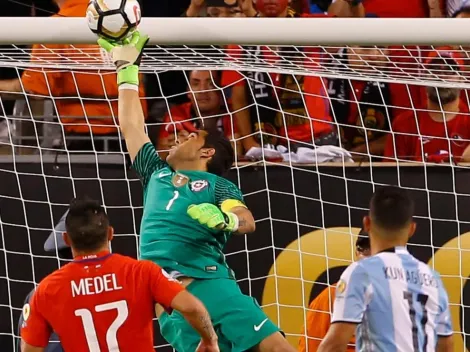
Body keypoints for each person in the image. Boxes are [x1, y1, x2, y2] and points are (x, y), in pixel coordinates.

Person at [98, 32, 296, 352]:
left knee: (276, 347)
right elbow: (132, 126)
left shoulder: (219, 186)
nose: (179, 136)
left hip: (210, 284)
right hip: (169, 299)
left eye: (191, 136)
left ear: (206, 154)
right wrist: (127, 71)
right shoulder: (156, 173)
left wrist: (225, 220)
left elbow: (245, 219)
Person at [20, 197, 218, 352]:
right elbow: (193, 308)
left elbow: (30, 349)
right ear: (110, 233)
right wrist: (209, 340)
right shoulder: (142, 272)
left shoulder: (46, 290)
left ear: (65, 238)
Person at [318, 186, 453, 352]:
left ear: (367, 223)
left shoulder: (361, 272)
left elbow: (334, 345)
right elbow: (446, 346)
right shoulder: (432, 278)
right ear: (412, 229)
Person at [0, 0, 147, 152]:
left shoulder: (58, 25)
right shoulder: (120, 16)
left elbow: (34, 89)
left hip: (85, 141)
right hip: (136, 136)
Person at [384, 48, 470, 163]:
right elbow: (389, 174)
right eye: (435, 70)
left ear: (462, 79)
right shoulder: (403, 124)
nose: (441, 77)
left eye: (450, 70)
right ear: (424, 77)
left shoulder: (467, 122)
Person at [298, 234, 371, 352]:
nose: (370, 258)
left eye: (378, 251)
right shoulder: (330, 298)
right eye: (365, 250)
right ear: (357, 253)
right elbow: (311, 347)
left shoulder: (405, 295)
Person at [157, 70, 240, 160]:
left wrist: (190, 147)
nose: (203, 90)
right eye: (196, 84)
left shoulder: (234, 114)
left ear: (221, 89)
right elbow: (162, 155)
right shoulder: (175, 116)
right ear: (188, 91)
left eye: (211, 84)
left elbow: (237, 152)